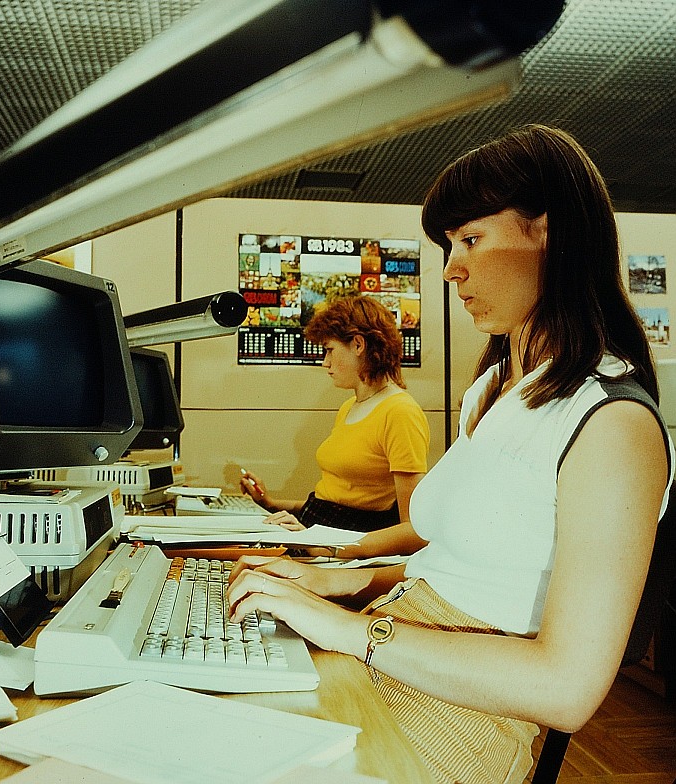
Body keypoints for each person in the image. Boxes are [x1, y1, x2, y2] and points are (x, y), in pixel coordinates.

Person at [227, 125, 674, 784]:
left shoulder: (612, 423)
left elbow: (565, 690)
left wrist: (348, 628)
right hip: (400, 650)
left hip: (466, 712)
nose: (449, 269)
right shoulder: (495, 389)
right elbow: (462, 568)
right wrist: (342, 579)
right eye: (447, 245)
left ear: (549, 232)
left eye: (470, 239)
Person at [239, 295, 430, 539]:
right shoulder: (350, 406)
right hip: (316, 532)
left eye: (329, 350)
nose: (325, 362)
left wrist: (317, 541)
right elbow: (330, 503)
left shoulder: (400, 412)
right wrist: (271, 503)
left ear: (358, 345)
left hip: (338, 546)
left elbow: (412, 531)